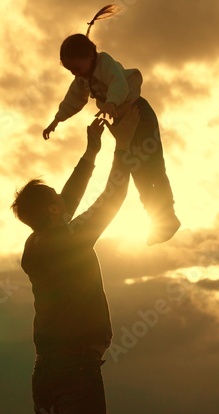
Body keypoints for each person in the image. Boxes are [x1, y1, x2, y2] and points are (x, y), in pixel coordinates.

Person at [11, 106, 142, 414]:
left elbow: (65, 201)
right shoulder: (72, 236)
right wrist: (125, 155)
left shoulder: (34, 245)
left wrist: (89, 154)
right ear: (51, 210)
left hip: (44, 373)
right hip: (76, 370)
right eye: (56, 202)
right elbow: (109, 200)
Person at [42, 4, 180, 246]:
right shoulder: (83, 78)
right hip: (123, 120)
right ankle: (158, 220)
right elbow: (73, 99)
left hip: (139, 114)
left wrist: (111, 104)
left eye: (77, 67)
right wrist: (57, 119)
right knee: (137, 172)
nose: (75, 73)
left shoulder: (105, 64)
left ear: (91, 55)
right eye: (70, 69)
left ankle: (167, 214)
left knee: (153, 166)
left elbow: (120, 84)